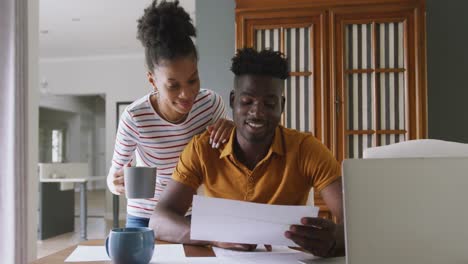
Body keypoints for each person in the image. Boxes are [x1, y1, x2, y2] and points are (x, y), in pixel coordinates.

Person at [150, 48, 345, 257]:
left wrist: (335, 241)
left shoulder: (307, 149)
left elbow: (355, 221)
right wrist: (215, 235)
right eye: (247, 101)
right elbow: (159, 220)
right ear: (233, 100)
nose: (257, 112)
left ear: (282, 105)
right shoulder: (203, 149)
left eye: (269, 103)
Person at [106, 0, 233, 228]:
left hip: (196, 212)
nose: (187, 94)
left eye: (193, 80)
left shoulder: (211, 105)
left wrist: (232, 134)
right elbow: (113, 177)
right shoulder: (134, 118)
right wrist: (117, 184)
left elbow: (226, 161)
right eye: (173, 85)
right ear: (152, 80)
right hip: (145, 215)